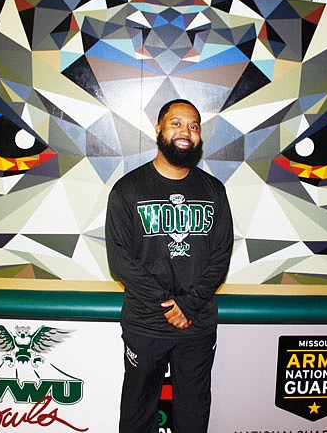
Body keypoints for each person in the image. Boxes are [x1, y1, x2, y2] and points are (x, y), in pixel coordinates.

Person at [105, 99, 234, 433]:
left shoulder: (214, 191)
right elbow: (120, 259)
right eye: (176, 123)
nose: (185, 132)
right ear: (159, 128)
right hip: (146, 323)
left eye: (193, 126)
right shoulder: (128, 190)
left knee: (193, 411)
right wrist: (168, 305)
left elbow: (221, 256)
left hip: (197, 323)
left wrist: (188, 305)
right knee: (137, 410)